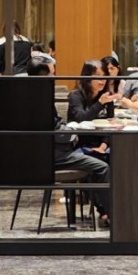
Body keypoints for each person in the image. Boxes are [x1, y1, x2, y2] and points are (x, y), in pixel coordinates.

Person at [34, 60, 109, 226]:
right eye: (52, 73)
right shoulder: (72, 96)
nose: (55, 77)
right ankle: (110, 213)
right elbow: (62, 127)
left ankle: (111, 210)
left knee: (111, 160)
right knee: (101, 166)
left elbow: (109, 123)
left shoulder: (36, 96)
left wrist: (104, 145)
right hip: (65, 151)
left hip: (68, 148)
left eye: (104, 76)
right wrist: (72, 134)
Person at [68, 61, 119, 155]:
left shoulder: (107, 96)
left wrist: (102, 147)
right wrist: (100, 103)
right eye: (98, 75)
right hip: (81, 145)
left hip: (103, 146)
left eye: (104, 76)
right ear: (87, 77)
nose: (102, 80)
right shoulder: (76, 95)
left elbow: (110, 125)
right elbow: (80, 118)